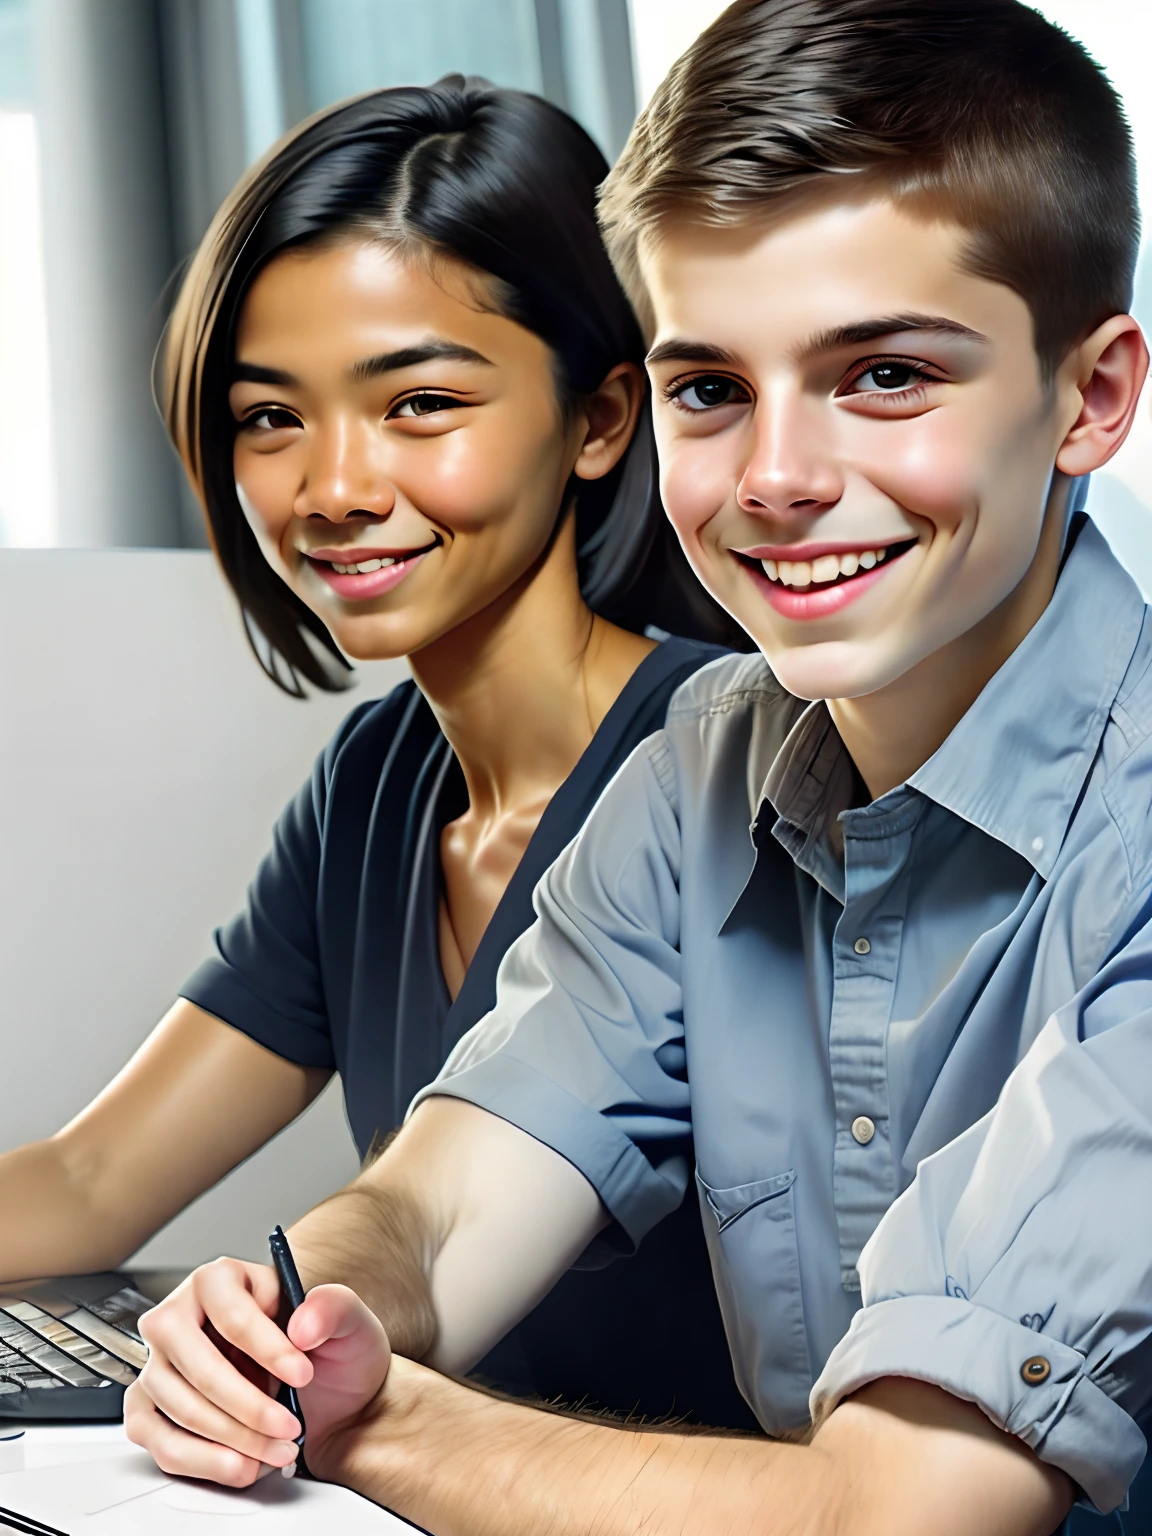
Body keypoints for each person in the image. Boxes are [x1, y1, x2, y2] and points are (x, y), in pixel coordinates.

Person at [123, 0, 1152, 1530]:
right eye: (712, 389)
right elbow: (445, 1200)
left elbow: (904, 1513)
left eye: (884, 376)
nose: (782, 479)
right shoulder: (697, 772)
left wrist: (378, 1428)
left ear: (1093, 398)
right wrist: (308, 1317)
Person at [0, 78, 760, 1428]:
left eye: (417, 404)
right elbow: (92, 1178)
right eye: (269, 417)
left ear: (599, 420)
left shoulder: (738, 767)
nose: (334, 486)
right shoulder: (378, 781)